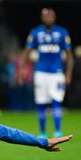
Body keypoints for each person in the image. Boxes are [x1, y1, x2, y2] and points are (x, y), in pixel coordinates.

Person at [19, 8, 74, 138]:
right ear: (42, 18)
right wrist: (21, 69)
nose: (48, 18)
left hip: (57, 73)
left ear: (54, 17)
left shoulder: (62, 32)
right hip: (40, 72)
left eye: (50, 16)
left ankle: (57, 130)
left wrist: (69, 72)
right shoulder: (36, 32)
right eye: (46, 16)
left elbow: (69, 55)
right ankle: (42, 132)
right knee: (41, 102)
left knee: (56, 101)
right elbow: (26, 51)